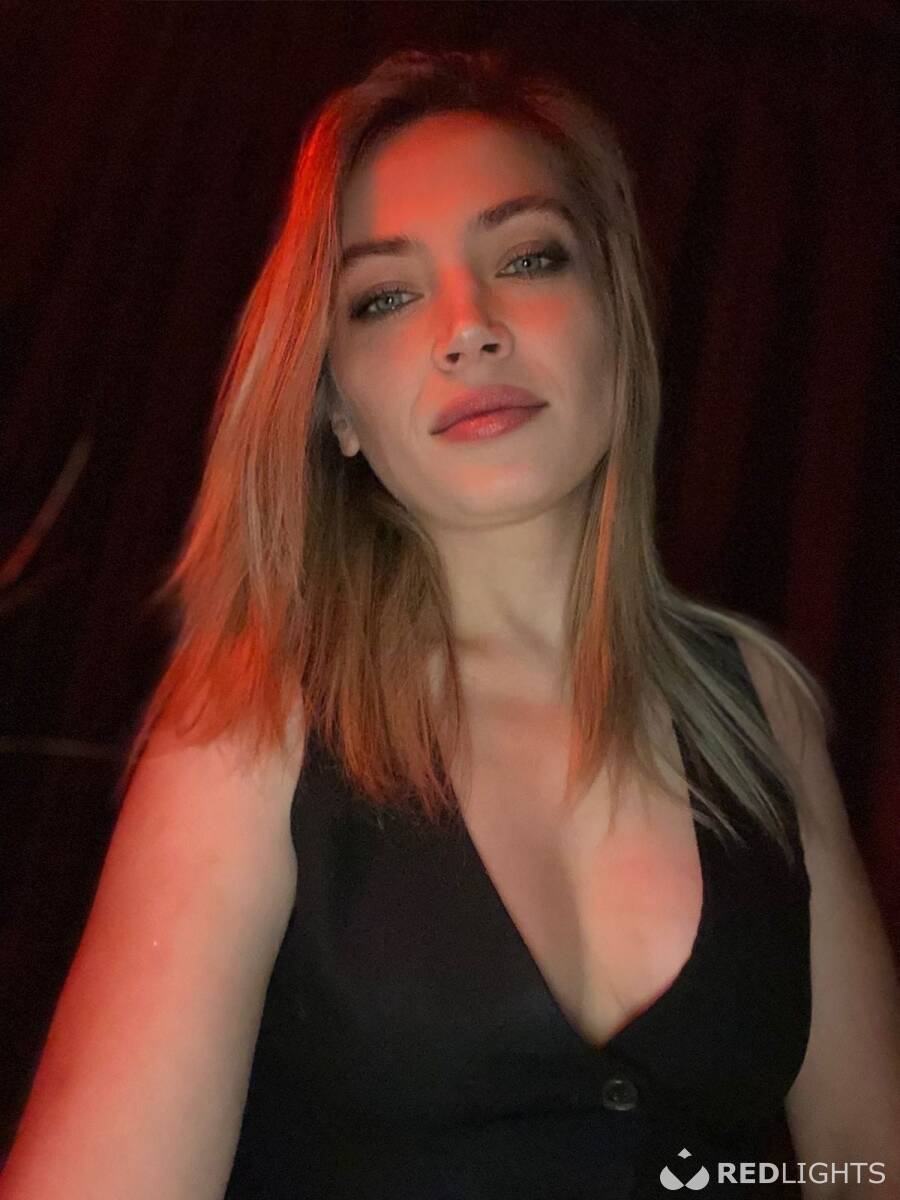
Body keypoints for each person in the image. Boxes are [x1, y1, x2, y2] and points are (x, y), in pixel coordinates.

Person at [1, 47, 898, 1200]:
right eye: (386, 296)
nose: (469, 330)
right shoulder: (250, 730)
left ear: (619, 323)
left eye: (528, 258)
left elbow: (869, 1163)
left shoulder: (760, 711)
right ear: (335, 408)